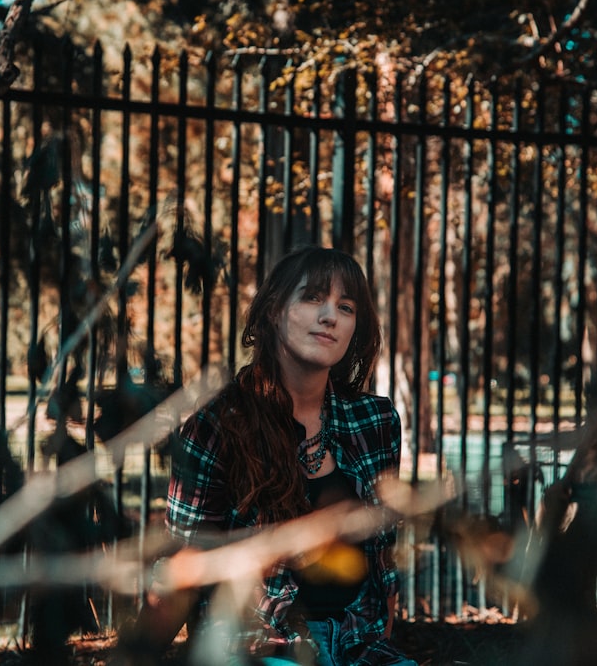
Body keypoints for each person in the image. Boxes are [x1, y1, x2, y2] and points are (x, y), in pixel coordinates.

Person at [118, 245, 416, 666]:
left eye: (345, 307)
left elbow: (383, 557)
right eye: (312, 297)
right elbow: (184, 565)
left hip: (358, 647)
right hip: (257, 646)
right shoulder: (219, 424)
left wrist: (381, 648)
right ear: (274, 311)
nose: (329, 315)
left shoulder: (375, 420)